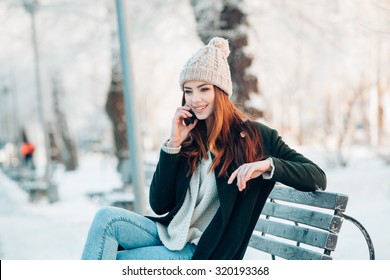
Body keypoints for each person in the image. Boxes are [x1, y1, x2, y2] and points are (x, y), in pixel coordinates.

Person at [81, 37, 327, 260]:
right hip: (173, 235)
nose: (195, 99)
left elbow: (317, 177)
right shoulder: (190, 136)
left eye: (204, 89)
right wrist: (173, 145)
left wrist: (266, 164)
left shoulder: (254, 136)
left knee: (118, 262)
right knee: (106, 219)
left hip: (204, 253)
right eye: (188, 91)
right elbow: (159, 205)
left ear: (220, 91)